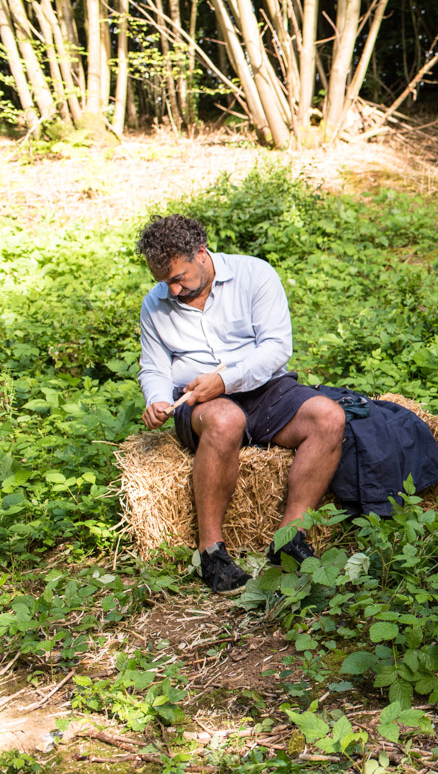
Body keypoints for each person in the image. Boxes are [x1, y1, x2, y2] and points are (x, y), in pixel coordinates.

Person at [136, 215, 346, 596]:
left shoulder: (255, 275)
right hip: (199, 401)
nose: (173, 288)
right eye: (164, 282)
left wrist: (225, 380)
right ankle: (211, 553)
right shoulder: (156, 304)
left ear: (201, 254)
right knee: (226, 419)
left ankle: (290, 538)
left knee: (329, 417)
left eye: (179, 277)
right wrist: (158, 400)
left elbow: (276, 348)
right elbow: (153, 367)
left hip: (264, 388)